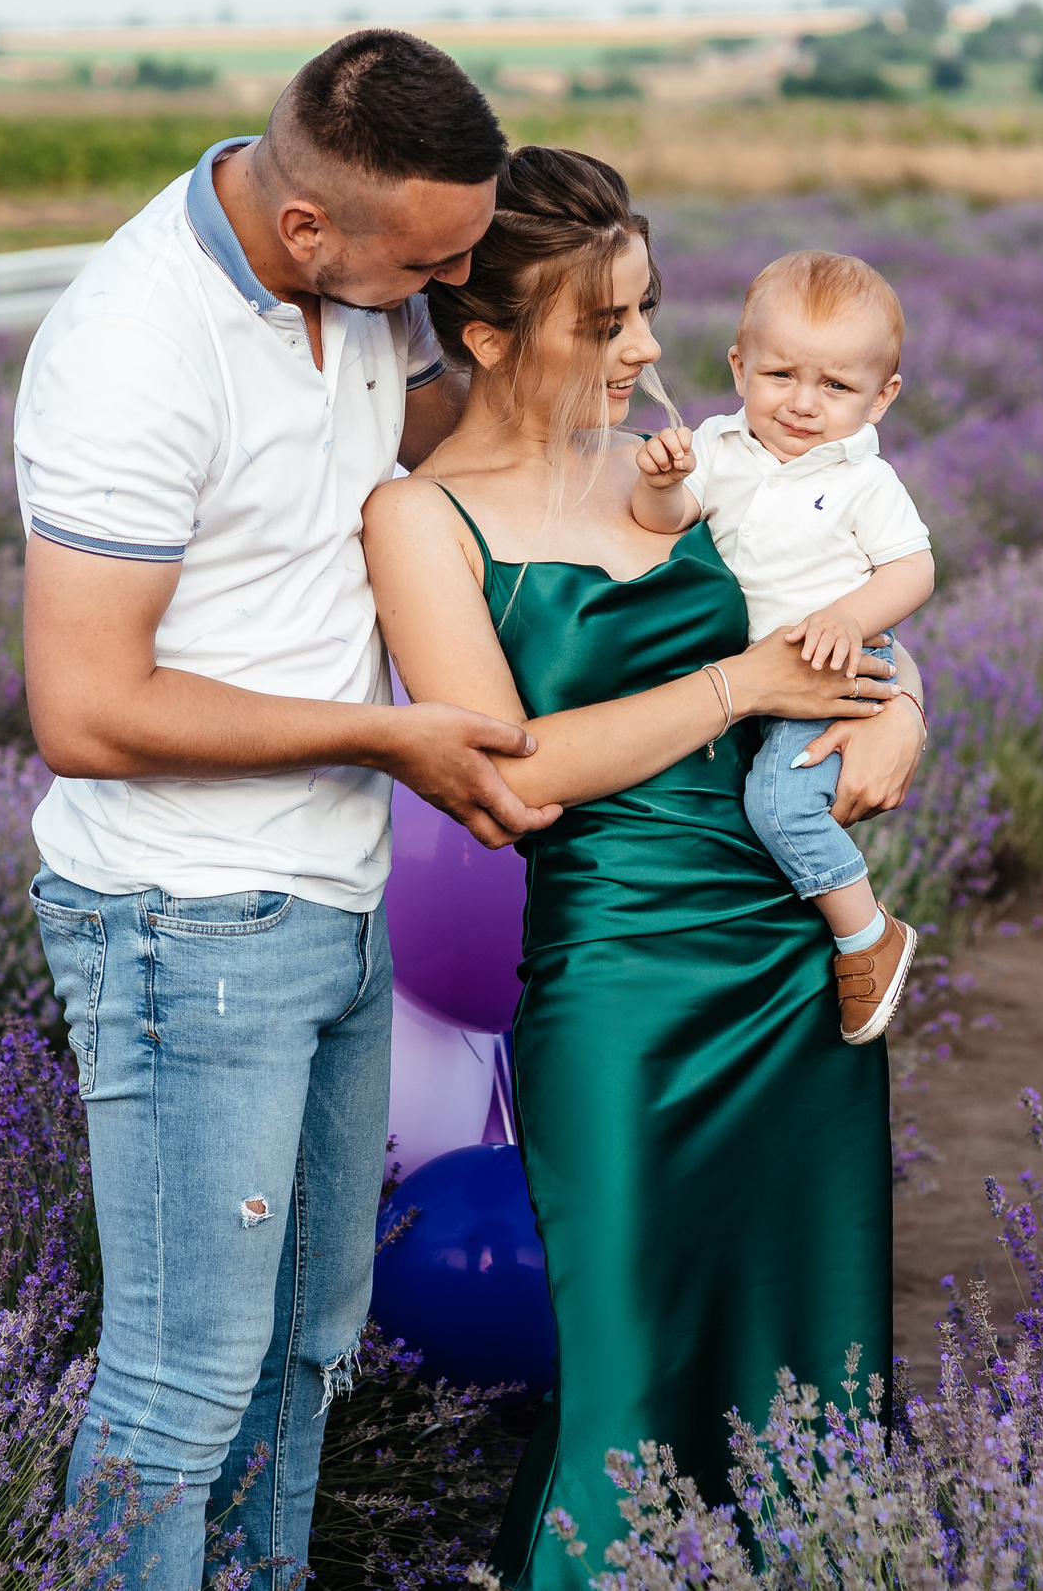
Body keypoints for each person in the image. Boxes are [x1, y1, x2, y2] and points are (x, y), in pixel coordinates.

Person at [14, 30, 560, 1591]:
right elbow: (90, 710)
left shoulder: (346, 294)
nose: (454, 293)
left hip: (329, 901)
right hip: (187, 923)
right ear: (312, 226)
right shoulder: (138, 345)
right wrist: (388, 735)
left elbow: (382, 461)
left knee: (309, 1348)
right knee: (183, 1381)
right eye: (437, 263)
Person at [361, 147, 926, 1590]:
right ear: (488, 334)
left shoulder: (693, 470)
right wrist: (740, 687)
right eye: (605, 321)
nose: (649, 350)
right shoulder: (422, 517)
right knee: (632, 1353)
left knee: (809, 1341)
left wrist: (903, 698)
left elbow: (835, 613)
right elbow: (513, 775)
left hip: (792, 970)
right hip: (615, 978)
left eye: (648, 308)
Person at [628, 250, 936, 1045]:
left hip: (833, 664)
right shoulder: (722, 448)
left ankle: (867, 936)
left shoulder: (867, 480)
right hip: (760, 674)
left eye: (836, 387)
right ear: (738, 367)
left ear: (882, 398)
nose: (803, 404)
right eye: (781, 376)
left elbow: (913, 568)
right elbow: (667, 519)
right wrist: (663, 483)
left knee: (778, 801)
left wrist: (848, 615)